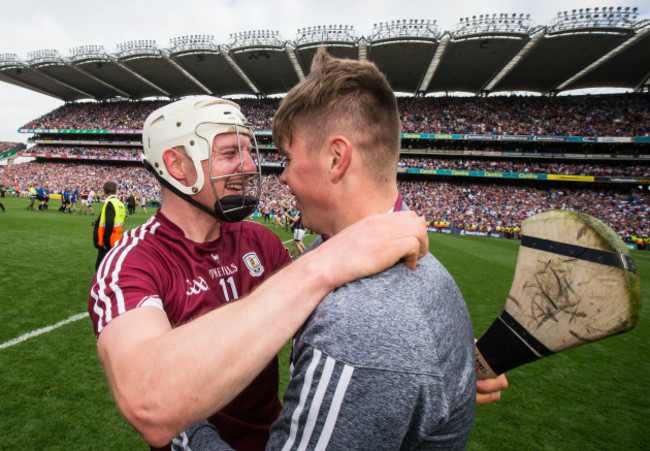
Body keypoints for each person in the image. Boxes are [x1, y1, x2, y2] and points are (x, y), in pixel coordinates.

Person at [176, 48, 507, 450]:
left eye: (288, 158)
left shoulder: (359, 323)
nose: (282, 177)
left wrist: (184, 424)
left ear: (337, 158)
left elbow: (375, 343)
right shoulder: (358, 253)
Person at [87, 96, 429, 449]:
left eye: (249, 151)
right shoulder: (132, 261)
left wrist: (420, 354)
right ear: (176, 164)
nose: (250, 165)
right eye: (229, 153)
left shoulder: (259, 241)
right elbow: (148, 401)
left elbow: (336, 318)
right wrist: (322, 263)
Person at [93, 181, 125, 270]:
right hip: (117, 239)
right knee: (110, 266)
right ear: (115, 190)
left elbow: (109, 223)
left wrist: (105, 240)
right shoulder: (120, 203)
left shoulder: (110, 203)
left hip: (108, 241)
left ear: (103, 191)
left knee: (100, 267)